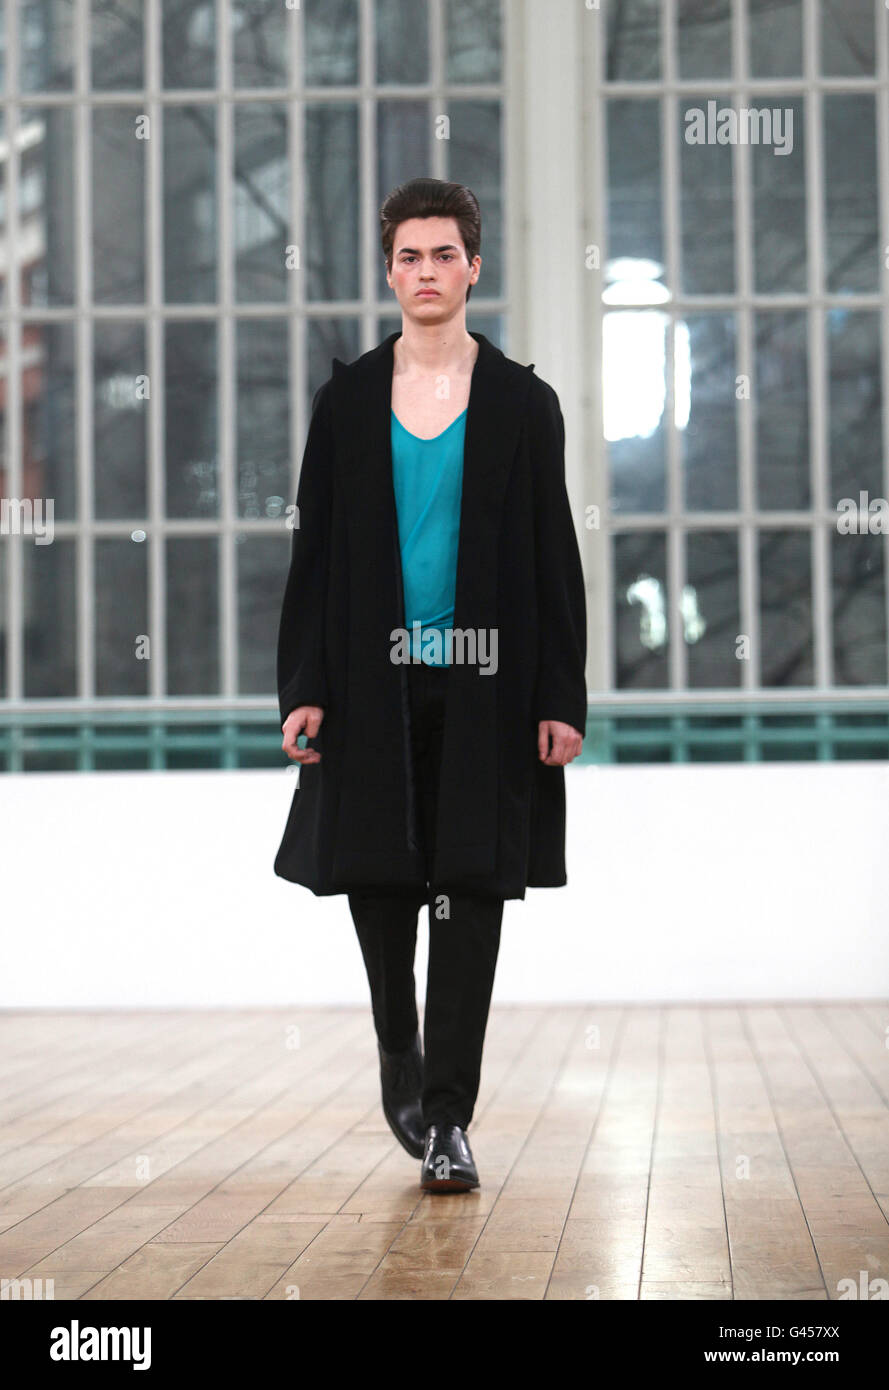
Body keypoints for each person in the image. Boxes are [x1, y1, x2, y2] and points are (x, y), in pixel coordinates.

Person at [275, 177, 587, 1192]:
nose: (425, 272)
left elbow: (555, 560)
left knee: (469, 891)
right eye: (408, 255)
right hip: (370, 689)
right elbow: (314, 556)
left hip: (486, 688)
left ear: (473, 267)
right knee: (378, 882)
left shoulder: (522, 405)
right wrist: (303, 685)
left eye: (443, 254)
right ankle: (398, 1056)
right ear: (389, 267)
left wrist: (559, 697)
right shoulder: (350, 402)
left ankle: (448, 1117)